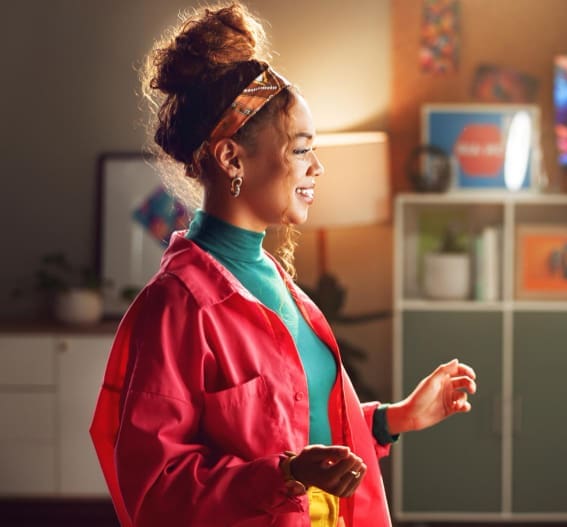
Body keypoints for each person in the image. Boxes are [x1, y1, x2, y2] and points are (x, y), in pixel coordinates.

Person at [89, 3, 476, 527]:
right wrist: (287, 476)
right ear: (232, 159)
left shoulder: (278, 282)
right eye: (300, 150)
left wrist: (390, 420)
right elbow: (157, 491)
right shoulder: (177, 306)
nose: (317, 166)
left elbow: (290, 428)